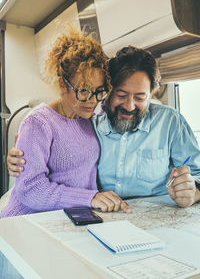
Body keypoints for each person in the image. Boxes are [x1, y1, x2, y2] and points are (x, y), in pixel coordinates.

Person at [7, 46, 200, 209]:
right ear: (108, 91)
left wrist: (193, 192)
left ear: (151, 94)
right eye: (121, 95)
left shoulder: (170, 122)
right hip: (101, 215)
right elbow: (58, 149)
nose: (129, 106)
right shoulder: (90, 119)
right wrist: (19, 157)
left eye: (140, 98)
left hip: (157, 214)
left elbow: (197, 172)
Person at [0, 29, 131, 218]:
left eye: (99, 91)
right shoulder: (38, 123)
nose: (92, 100)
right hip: (26, 220)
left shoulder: (90, 118)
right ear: (63, 85)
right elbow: (29, 190)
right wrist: (89, 198)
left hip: (68, 217)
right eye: (84, 91)